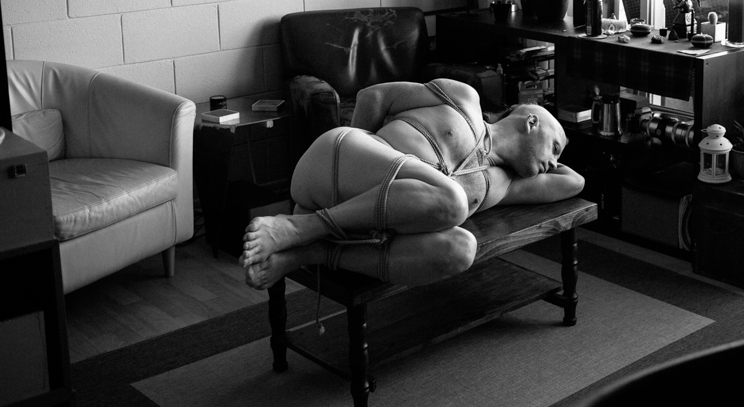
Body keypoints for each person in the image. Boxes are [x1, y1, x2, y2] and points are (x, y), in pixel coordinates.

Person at [240, 78, 583, 290]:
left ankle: (314, 250)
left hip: (365, 226)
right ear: (531, 122)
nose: (554, 162)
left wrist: (547, 155)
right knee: (453, 199)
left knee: (461, 248)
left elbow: (573, 182)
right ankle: (304, 227)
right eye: (555, 148)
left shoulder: (502, 185)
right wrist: (362, 160)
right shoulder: (463, 99)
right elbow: (374, 97)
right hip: (333, 165)